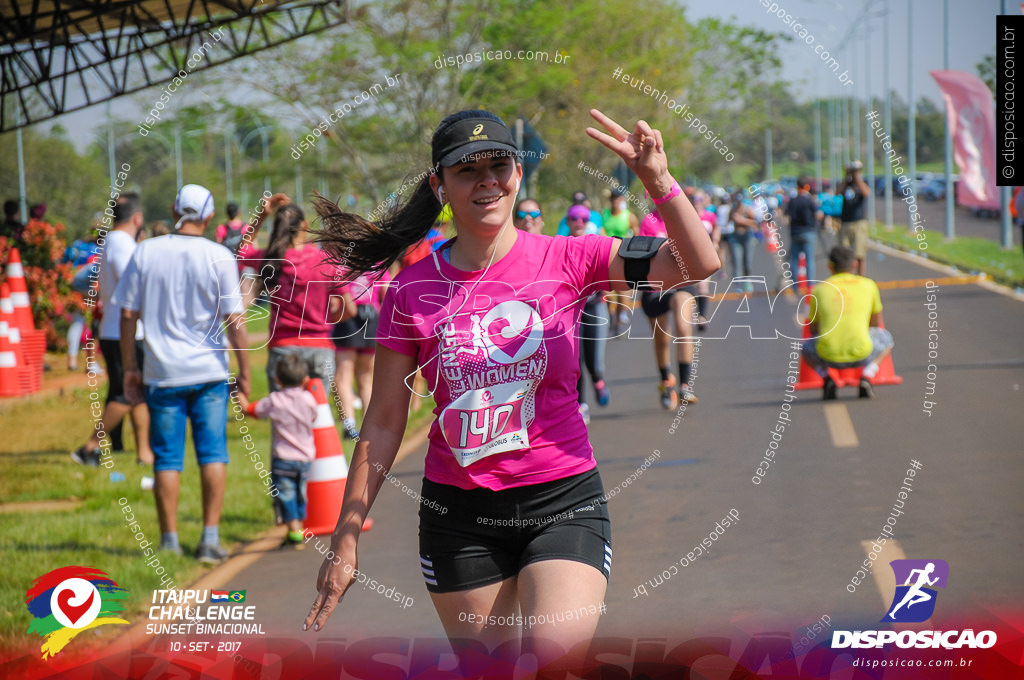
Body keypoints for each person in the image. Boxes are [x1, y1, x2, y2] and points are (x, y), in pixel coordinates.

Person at [303, 109, 720, 674]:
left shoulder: (572, 256)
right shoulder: (410, 291)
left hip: (563, 503)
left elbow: (699, 262)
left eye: (499, 165)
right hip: (459, 519)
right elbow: (381, 422)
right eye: (466, 170)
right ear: (439, 185)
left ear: (518, 173)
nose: (487, 181)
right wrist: (345, 539)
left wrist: (658, 183)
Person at [114, 183, 250, 564]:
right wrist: (246, 373)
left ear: (175, 213)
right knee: (212, 454)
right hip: (208, 372)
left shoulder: (146, 251)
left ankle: (169, 541)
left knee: (167, 459)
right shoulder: (219, 255)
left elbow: (127, 314)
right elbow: (235, 321)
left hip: (161, 373)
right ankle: (209, 539)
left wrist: (129, 368)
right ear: (208, 218)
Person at [71, 194, 154, 466]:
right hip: (124, 331)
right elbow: (130, 281)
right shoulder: (121, 243)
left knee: (135, 392)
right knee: (126, 393)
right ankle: (90, 446)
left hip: (116, 328)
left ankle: (144, 453)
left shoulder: (112, 242)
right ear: (137, 218)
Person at [237, 352, 318, 548]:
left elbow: (252, 411)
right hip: (306, 457)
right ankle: (297, 527)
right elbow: (314, 417)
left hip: (283, 457)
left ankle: (294, 531)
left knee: (285, 494)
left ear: (277, 379)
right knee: (300, 492)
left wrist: (239, 396)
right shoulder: (309, 399)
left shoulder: (274, 400)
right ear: (305, 380)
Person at [801, 246, 895, 400]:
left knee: (806, 346)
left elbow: (813, 328)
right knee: (886, 339)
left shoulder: (819, 289)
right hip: (862, 353)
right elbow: (876, 325)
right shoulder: (869, 285)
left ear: (830, 266)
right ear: (855, 265)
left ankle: (826, 378)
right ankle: (867, 375)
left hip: (827, 355)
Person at [638, 209, 701, 408]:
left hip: (681, 282)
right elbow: (644, 253)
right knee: (662, 338)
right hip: (655, 282)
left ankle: (684, 385)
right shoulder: (649, 221)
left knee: (684, 326)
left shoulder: (686, 216)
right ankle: (666, 381)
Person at [332, 266, 388, 440]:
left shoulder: (341, 265)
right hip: (371, 317)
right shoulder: (377, 263)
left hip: (347, 316)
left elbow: (334, 299)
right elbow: (388, 292)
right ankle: (368, 426)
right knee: (366, 378)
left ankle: (349, 425)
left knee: (343, 375)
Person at [568, 205, 611, 423]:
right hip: (572, 312)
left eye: (583, 219)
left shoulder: (595, 246)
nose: (578, 222)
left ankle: (599, 380)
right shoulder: (560, 246)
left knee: (594, 361)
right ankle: (582, 404)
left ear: (588, 222)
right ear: (568, 222)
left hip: (595, 308)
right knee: (577, 360)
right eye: (574, 218)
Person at [601, 190, 639, 334]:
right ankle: (610, 316)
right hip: (606, 257)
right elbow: (600, 231)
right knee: (606, 293)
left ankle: (618, 321)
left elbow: (636, 235)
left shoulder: (629, 217)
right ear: (611, 200)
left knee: (623, 295)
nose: (616, 202)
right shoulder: (604, 215)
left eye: (619, 199)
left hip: (624, 258)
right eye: (614, 199)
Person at [785, 177, 822, 292]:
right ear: (807, 187)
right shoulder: (810, 200)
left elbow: (787, 218)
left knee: (794, 259)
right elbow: (818, 215)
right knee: (809, 259)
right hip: (809, 232)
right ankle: (810, 285)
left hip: (795, 232)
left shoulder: (793, 200)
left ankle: (795, 286)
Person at [837, 161, 871, 275]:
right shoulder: (846, 183)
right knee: (844, 255)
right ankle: (847, 278)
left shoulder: (862, 182)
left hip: (859, 222)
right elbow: (837, 193)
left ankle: (861, 278)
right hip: (846, 221)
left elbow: (866, 192)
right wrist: (846, 177)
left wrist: (857, 177)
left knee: (859, 254)